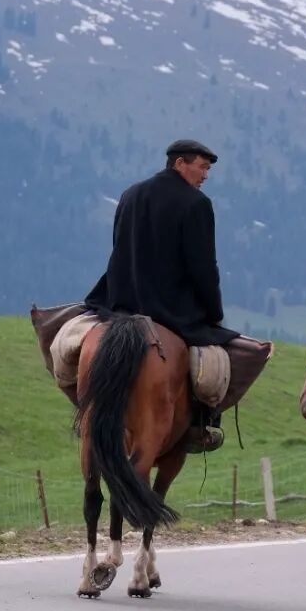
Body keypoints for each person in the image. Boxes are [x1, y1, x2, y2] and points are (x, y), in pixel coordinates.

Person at [86, 138, 242, 452]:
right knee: (231, 359)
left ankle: (85, 411)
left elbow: (119, 247)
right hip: (171, 310)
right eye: (202, 167)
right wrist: (213, 313)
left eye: (207, 169)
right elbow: (203, 268)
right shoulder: (197, 204)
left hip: (119, 302)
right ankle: (201, 424)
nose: (205, 175)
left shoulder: (131, 194)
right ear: (179, 163)